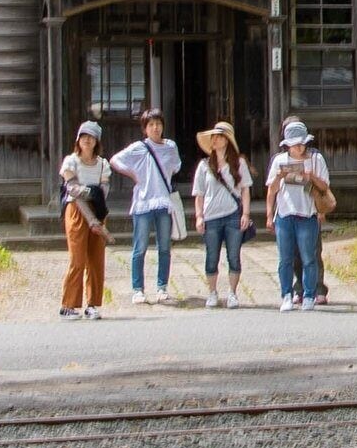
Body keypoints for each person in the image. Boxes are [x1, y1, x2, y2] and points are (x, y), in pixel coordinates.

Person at [109, 110, 183, 302]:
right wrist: (132, 173)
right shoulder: (139, 147)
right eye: (151, 125)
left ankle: (162, 287)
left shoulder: (170, 146)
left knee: (164, 247)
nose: (155, 128)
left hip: (163, 200)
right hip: (143, 201)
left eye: (158, 124)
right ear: (145, 129)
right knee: (140, 247)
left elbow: (176, 166)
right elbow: (115, 160)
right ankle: (138, 289)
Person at [262, 116, 333, 310]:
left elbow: (325, 186)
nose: (299, 147)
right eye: (295, 144)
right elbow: (271, 190)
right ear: (287, 144)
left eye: (302, 143)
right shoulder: (279, 160)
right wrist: (269, 215)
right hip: (285, 215)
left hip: (307, 214)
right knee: (285, 258)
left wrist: (311, 176)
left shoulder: (316, 159)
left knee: (309, 256)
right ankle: (286, 294)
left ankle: (309, 294)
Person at [189, 122, 252, 307]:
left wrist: (246, 213)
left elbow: (245, 190)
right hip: (211, 216)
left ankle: (232, 292)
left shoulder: (239, 163)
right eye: (214, 137)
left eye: (219, 137)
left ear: (227, 140)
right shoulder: (204, 165)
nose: (215, 140)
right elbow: (199, 194)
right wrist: (199, 216)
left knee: (234, 256)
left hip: (233, 214)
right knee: (211, 256)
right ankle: (212, 292)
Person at [57, 122, 113, 318]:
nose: (87, 140)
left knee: (96, 260)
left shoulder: (103, 164)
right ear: (78, 139)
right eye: (83, 136)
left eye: (91, 137)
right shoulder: (70, 161)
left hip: (97, 211)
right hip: (76, 211)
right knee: (77, 259)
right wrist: (91, 191)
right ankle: (68, 305)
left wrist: (89, 192)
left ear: (97, 141)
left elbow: (103, 190)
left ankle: (92, 304)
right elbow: (71, 188)